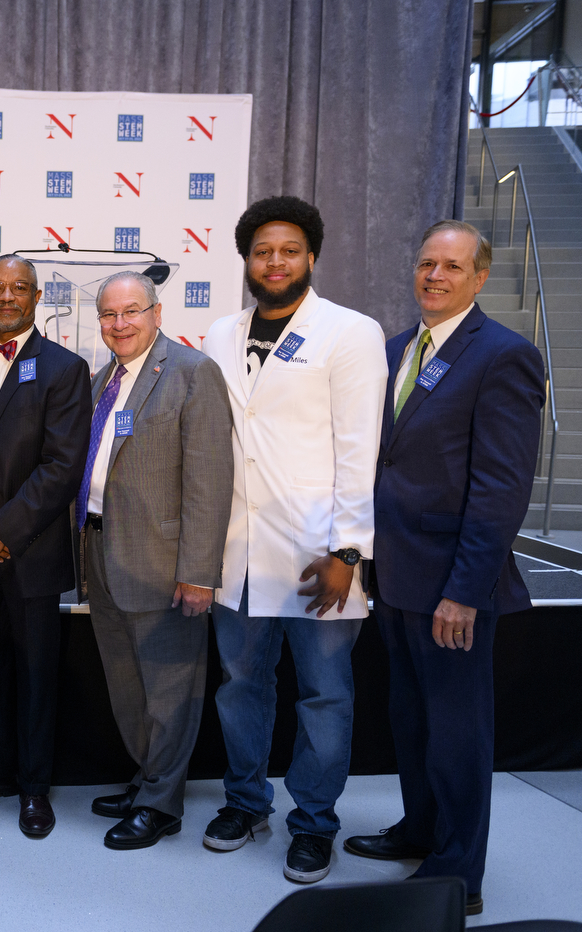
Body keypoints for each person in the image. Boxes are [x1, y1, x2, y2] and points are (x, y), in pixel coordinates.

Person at [344, 221, 545, 917]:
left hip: (453, 587)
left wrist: (465, 590)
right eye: (427, 262)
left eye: (452, 267)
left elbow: (500, 489)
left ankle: (459, 874)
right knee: (411, 720)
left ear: (480, 277)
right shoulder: (399, 348)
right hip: (398, 577)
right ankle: (421, 832)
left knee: (457, 732)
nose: (435, 275)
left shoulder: (504, 356)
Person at [199, 196, 386, 883]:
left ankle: (313, 823)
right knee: (241, 685)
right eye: (261, 252)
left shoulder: (351, 332)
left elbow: (358, 449)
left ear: (311, 256)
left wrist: (348, 554)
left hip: (319, 556)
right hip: (236, 550)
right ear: (246, 261)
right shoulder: (220, 333)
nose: (274, 262)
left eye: (288, 250)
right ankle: (247, 802)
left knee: (324, 695)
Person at [78, 270, 234, 851]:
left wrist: (198, 571)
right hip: (103, 555)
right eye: (109, 315)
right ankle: (148, 780)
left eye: (131, 312)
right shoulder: (104, 380)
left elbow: (209, 482)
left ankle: (162, 805)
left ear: (157, 313)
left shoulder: (193, 374)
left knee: (170, 690)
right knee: (128, 686)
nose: (120, 324)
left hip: (165, 565)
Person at [0, 255, 90, 838]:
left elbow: (61, 466)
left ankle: (33, 787)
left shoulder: (64, 367)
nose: (8, 297)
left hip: (30, 549)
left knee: (35, 673)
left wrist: (0, 529)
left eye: (19, 288)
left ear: (35, 296)